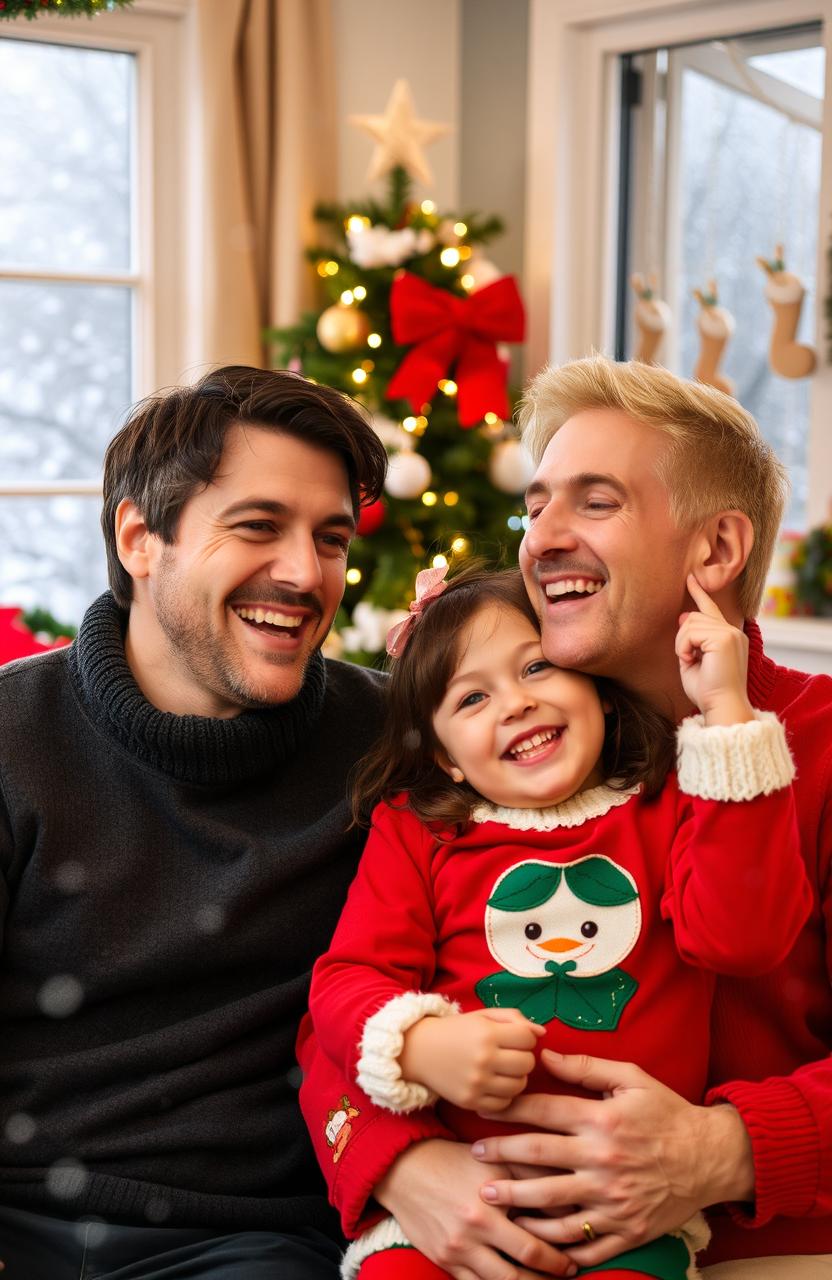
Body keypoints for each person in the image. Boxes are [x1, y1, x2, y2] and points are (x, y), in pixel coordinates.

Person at [297, 356, 832, 1279]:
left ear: (714, 551)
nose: (539, 539)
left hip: (766, 1241)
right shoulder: (482, 779)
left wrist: (723, 1150)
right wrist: (408, 1166)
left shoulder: (804, 746)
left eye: (595, 501)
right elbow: (347, 999)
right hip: (476, 1222)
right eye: (535, 506)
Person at [0, 365, 389, 1279]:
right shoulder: (11, 741)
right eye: (258, 526)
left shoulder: (395, 745)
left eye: (330, 539)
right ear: (141, 537)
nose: (304, 573)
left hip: (254, 1242)